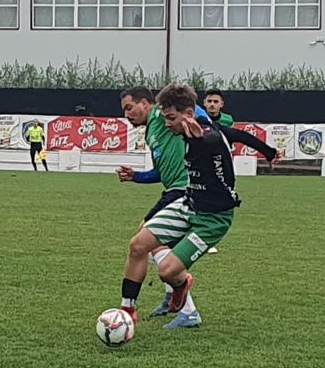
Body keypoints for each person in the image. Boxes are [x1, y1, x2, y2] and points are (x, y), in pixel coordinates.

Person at [117, 86, 276, 324]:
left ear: (189, 115)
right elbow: (164, 168)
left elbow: (220, 136)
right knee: (138, 244)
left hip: (212, 219)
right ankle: (127, 311)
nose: (167, 124)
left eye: (171, 118)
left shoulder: (209, 136)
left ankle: (183, 296)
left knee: (166, 271)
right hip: (188, 203)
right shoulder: (168, 133)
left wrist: (203, 128)